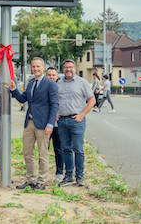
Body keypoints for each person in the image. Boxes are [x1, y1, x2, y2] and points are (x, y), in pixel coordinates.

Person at [10, 57, 59, 190]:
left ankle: (41, 182)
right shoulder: (31, 83)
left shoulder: (50, 84)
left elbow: (55, 105)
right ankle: (31, 180)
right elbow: (22, 98)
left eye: (38, 66)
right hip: (29, 123)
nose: (35, 69)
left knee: (43, 154)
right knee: (27, 153)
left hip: (43, 124)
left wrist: (50, 124)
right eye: (33, 66)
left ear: (43, 67)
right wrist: (14, 90)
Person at [57, 59, 96, 187]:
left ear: (75, 68)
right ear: (63, 69)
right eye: (66, 67)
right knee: (66, 149)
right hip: (62, 120)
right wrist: (56, 114)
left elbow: (92, 100)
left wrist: (82, 115)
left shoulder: (82, 82)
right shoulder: (59, 83)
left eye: (71, 67)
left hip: (76, 120)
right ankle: (69, 176)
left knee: (78, 149)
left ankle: (80, 175)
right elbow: (56, 100)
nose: (68, 69)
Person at [45, 66, 64, 183]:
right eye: (49, 75)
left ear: (57, 76)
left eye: (53, 75)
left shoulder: (61, 88)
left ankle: (60, 172)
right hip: (45, 124)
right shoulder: (43, 87)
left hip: (58, 124)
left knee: (59, 149)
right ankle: (43, 173)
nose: (51, 77)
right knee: (44, 149)